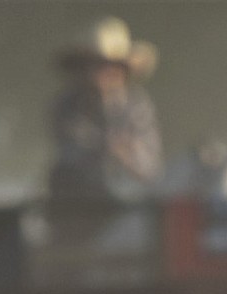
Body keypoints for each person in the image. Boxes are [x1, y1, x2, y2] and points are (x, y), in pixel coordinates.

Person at [48, 17, 163, 202]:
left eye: (113, 66)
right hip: (78, 198)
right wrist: (108, 147)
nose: (106, 72)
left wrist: (128, 156)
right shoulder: (67, 104)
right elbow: (72, 150)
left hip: (132, 196)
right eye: (98, 64)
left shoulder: (138, 104)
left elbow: (151, 165)